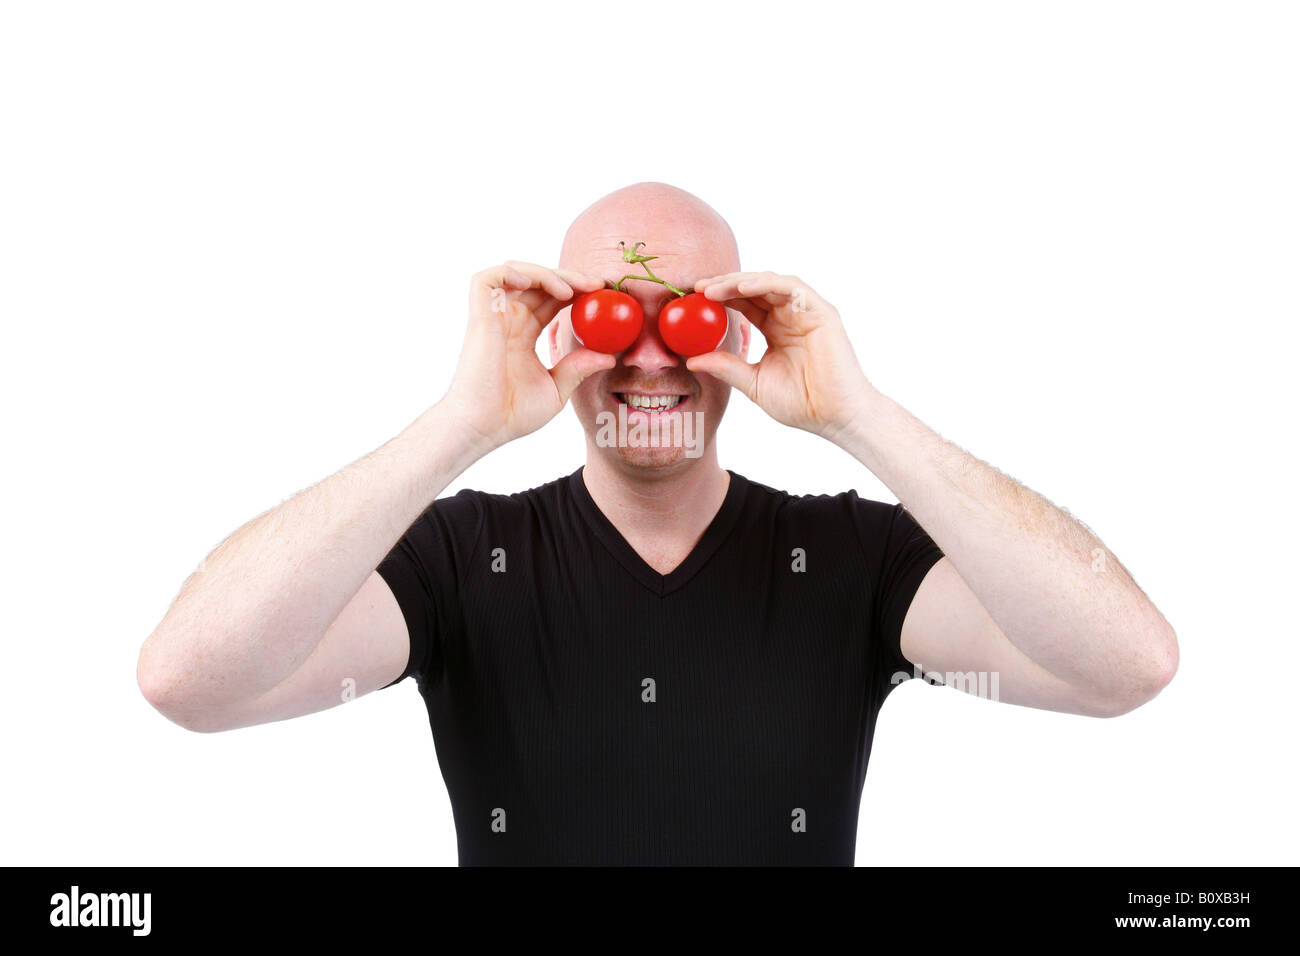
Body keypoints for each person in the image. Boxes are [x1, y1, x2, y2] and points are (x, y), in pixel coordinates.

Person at [137, 182, 1178, 865]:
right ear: (559, 332)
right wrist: (460, 424)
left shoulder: (850, 560)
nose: (646, 357)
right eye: (606, 317)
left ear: (737, 328)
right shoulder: (462, 559)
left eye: (685, 316)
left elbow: (1124, 664)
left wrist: (856, 413)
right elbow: (188, 679)